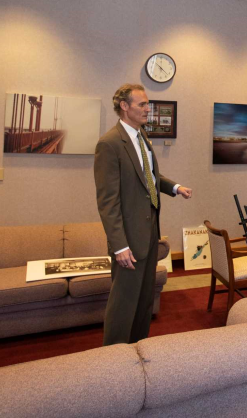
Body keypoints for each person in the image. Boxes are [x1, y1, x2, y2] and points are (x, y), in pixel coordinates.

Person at [94, 83, 193, 346]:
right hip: (128, 239)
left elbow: (148, 177)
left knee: (143, 299)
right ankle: (114, 356)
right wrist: (119, 245)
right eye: (142, 104)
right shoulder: (109, 144)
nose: (148, 109)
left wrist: (174, 187)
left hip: (150, 233)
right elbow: (107, 202)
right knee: (124, 302)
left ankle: (138, 346)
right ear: (124, 107)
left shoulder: (142, 137)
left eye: (148, 104)